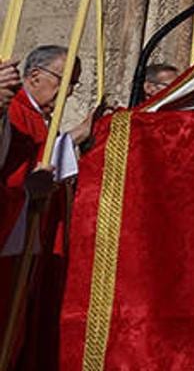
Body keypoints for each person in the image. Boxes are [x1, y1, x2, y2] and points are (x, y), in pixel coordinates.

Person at [0, 45, 91, 369]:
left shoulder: (37, 116)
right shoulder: (13, 110)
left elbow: (46, 152)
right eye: (65, 81)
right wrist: (27, 193)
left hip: (22, 242)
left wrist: (81, 132)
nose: (68, 92)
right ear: (35, 75)